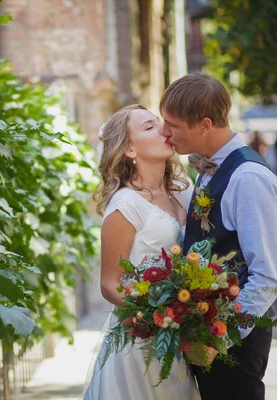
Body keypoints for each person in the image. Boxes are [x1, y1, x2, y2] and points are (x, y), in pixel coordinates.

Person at [160, 72, 277, 400]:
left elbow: (266, 278)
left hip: (234, 344)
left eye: (172, 124)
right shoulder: (208, 167)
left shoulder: (249, 178)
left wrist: (218, 337)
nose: (164, 132)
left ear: (204, 124)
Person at [82, 104, 200, 399]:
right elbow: (110, 284)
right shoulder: (126, 205)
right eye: (149, 127)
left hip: (181, 335)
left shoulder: (184, 191)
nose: (163, 129)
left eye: (159, 123)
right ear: (129, 150)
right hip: (140, 345)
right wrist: (159, 321)